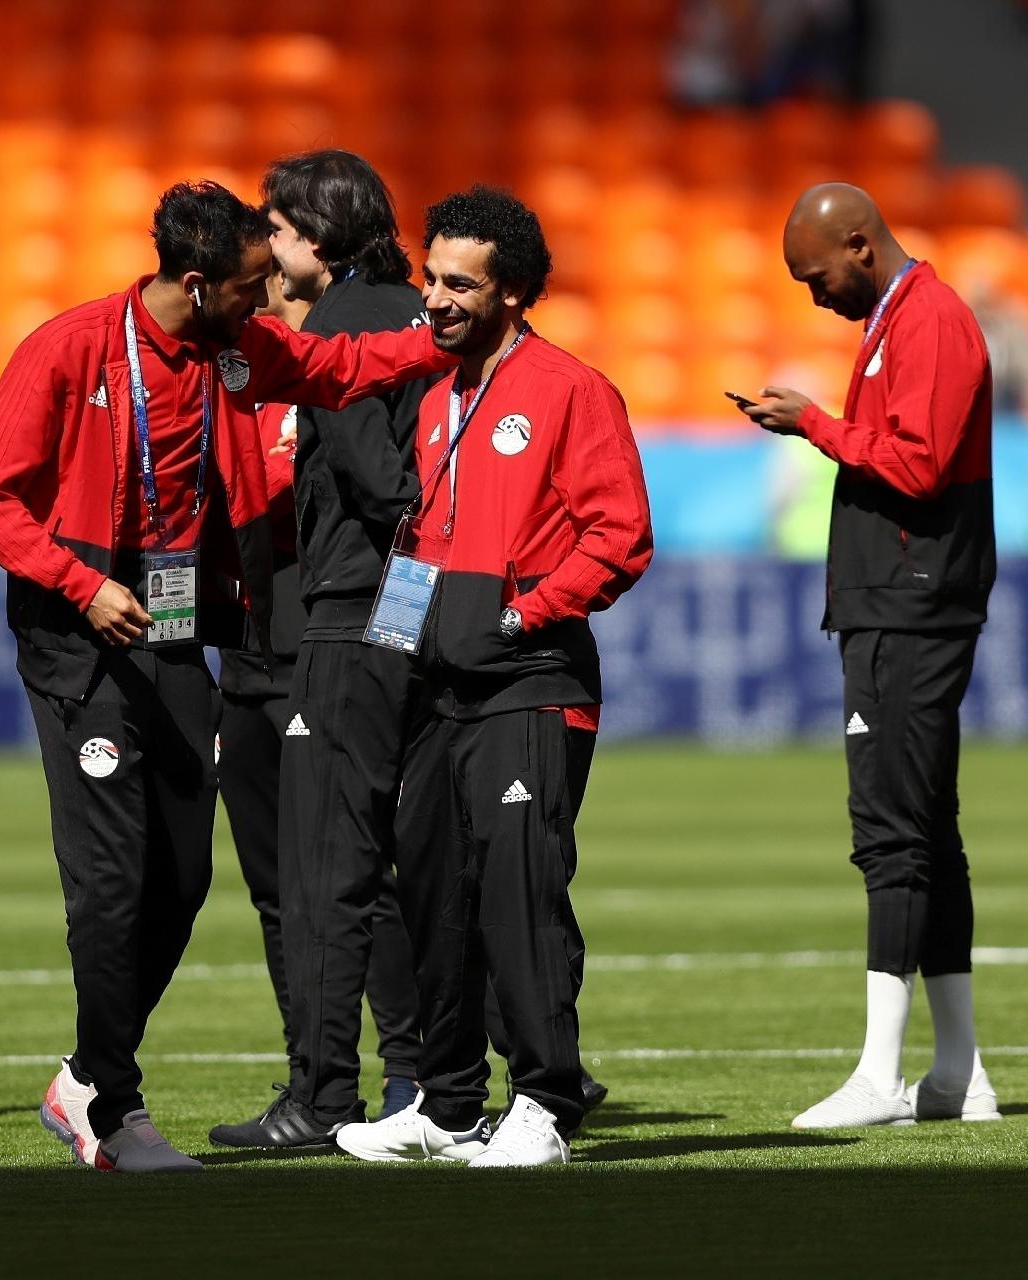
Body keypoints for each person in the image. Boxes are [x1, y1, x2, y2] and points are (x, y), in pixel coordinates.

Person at [0, 180, 455, 1174]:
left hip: (175, 627)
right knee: (108, 878)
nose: (268, 297)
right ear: (198, 281)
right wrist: (81, 582)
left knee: (183, 877)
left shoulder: (234, 350)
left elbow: (339, 366)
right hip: (79, 629)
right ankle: (114, 1109)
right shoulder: (68, 348)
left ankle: (86, 1071)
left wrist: (453, 339)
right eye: (251, 282)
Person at [334, 186, 652, 1169]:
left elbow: (622, 533)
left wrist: (521, 612)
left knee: (520, 890)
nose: (434, 297)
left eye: (458, 282)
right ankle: (447, 1099)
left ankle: (547, 1101)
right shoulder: (437, 394)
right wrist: (395, 649)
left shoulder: (570, 388)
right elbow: (420, 539)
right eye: (430, 277)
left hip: (532, 681)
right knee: (433, 894)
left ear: (512, 290)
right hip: (438, 687)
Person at [740, 183, 1000, 1129]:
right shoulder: (904, 317)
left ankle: (880, 1077)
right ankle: (959, 1073)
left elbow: (920, 465)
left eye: (817, 277)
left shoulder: (928, 319)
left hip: (910, 601)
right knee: (928, 825)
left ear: (859, 242)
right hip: (907, 596)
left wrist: (814, 424)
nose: (815, 296)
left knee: (892, 828)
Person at [210, 152, 431, 1151]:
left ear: (315, 234)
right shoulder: (420, 309)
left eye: (277, 224)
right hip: (404, 606)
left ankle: (328, 1087)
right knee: (390, 852)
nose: (268, 242)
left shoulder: (343, 327)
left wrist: (413, 539)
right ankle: (426, 1074)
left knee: (326, 860)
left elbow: (382, 474)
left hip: (343, 610)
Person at [210, 269, 309, 1107]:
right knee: (274, 889)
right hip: (246, 653)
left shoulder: (333, 372)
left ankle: (433, 1071)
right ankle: (312, 1072)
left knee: (384, 874)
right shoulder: (217, 377)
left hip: (322, 650)